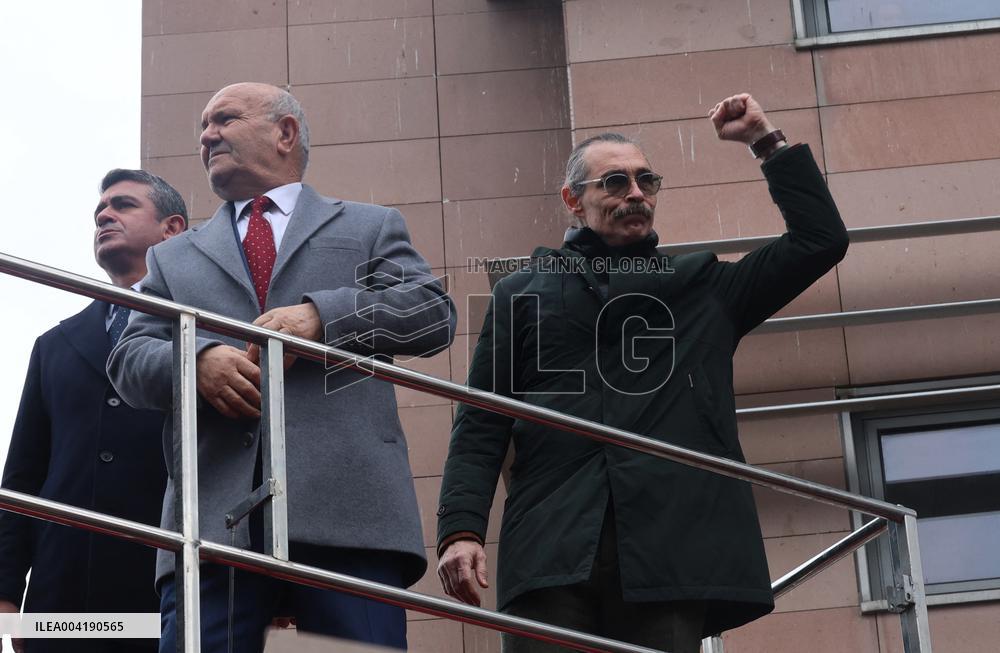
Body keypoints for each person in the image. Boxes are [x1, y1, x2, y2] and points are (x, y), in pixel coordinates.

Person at [436, 93, 850, 652]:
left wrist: (764, 140)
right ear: (572, 200)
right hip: (552, 544)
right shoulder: (522, 294)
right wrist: (460, 531)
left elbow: (819, 241)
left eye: (645, 181)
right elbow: (482, 422)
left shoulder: (703, 289)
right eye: (614, 182)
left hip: (669, 550)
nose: (634, 193)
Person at [107, 82, 456, 653]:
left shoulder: (368, 226)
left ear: (285, 132)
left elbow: (431, 315)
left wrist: (324, 317)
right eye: (202, 127)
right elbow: (128, 359)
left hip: (350, 516)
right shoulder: (172, 257)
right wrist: (196, 360)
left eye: (224, 119)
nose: (206, 135)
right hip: (213, 524)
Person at [0, 169, 188, 653]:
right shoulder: (54, 345)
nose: (104, 215)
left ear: (173, 229)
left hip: (167, 587)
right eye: (99, 211)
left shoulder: (205, 326)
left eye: (123, 205)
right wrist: (4, 595)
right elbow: (21, 477)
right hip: (60, 599)